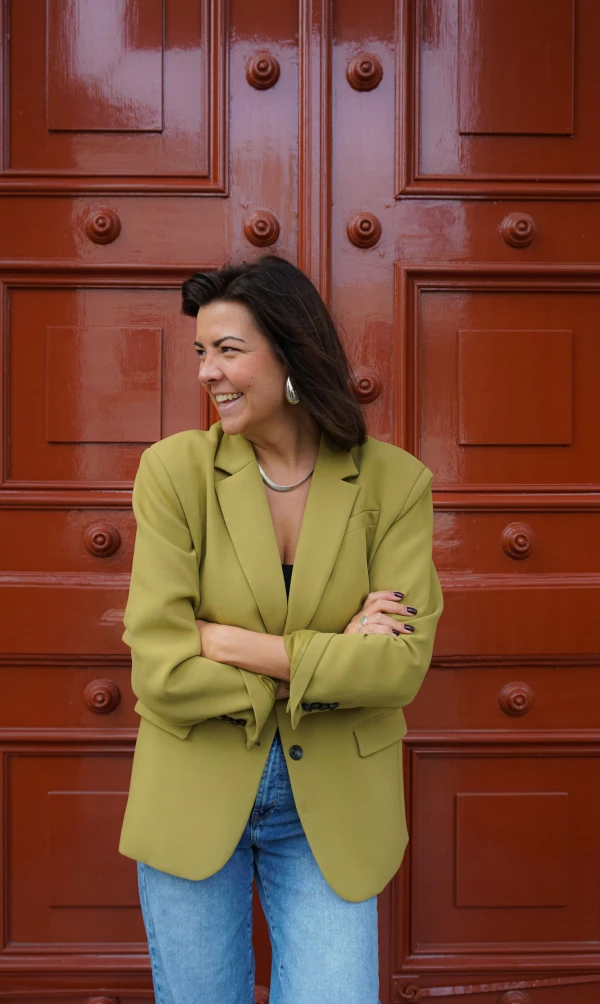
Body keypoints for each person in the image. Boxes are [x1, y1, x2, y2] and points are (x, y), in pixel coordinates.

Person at [119, 253, 443, 1004]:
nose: (207, 371)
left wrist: (224, 640)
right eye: (201, 351)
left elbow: (399, 666)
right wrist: (328, 659)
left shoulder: (395, 483)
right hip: (192, 788)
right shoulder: (175, 473)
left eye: (228, 350)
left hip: (334, 803)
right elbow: (160, 670)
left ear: (293, 353)